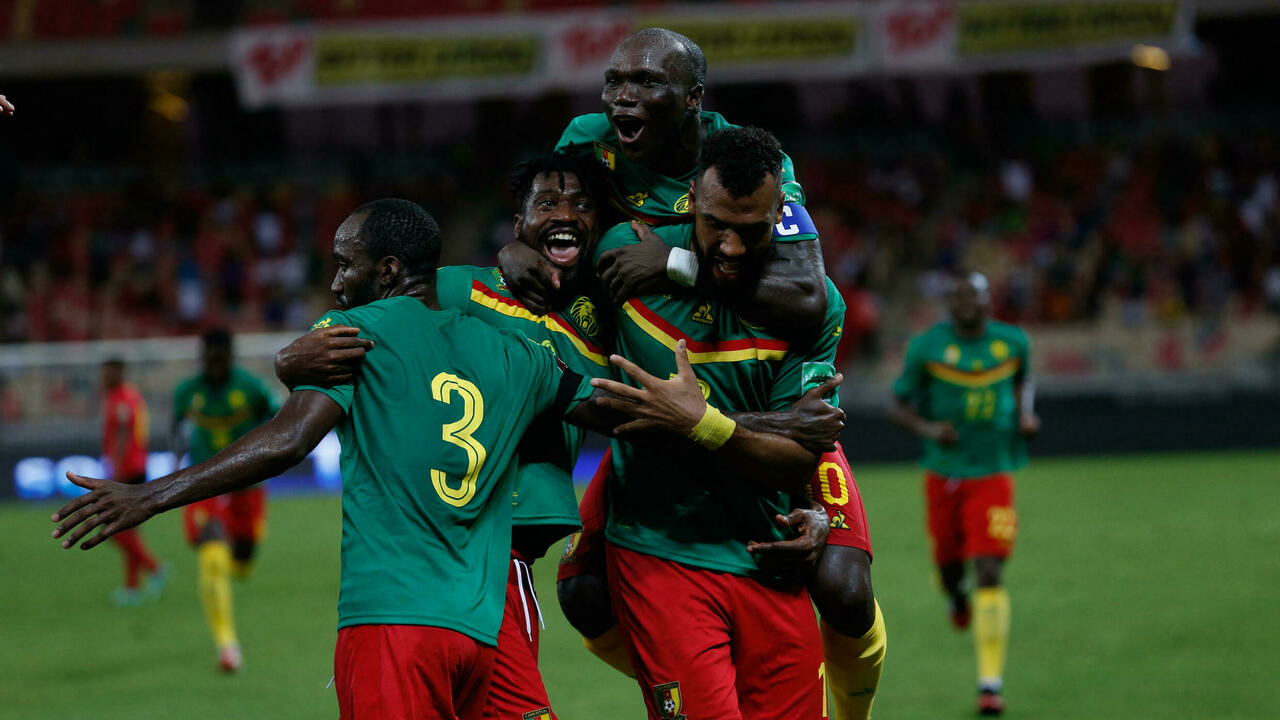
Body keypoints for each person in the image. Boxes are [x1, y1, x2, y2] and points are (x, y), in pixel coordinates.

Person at [52, 198, 704, 720]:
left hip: (392, 620)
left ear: (388, 271)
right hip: (481, 631)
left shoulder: (356, 338)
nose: (336, 282)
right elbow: (612, 408)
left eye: (345, 265)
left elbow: (289, 440)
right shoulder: (521, 356)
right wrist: (703, 419)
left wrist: (149, 495)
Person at [274, 155, 838, 720]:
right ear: (518, 223)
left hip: (509, 568)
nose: (565, 214)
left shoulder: (614, 310)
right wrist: (297, 352)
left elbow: (662, 416)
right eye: (546, 204)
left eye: (582, 205)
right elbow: (372, 310)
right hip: (460, 549)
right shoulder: (462, 289)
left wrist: (807, 493)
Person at [580, 125, 882, 720]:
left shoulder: (812, 305)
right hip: (663, 548)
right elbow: (597, 398)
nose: (734, 247)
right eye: (716, 225)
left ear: (781, 214)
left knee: (847, 593)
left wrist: (695, 421)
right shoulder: (626, 250)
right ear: (691, 198)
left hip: (767, 549)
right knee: (579, 590)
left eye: (753, 230)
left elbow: (797, 458)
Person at [888, 271, 1040, 717]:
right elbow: (897, 404)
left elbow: (1025, 382)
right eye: (958, 297)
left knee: (989, 569)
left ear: (989, 301)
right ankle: (956, 595)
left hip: (994, 471)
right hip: (945, 474)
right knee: (950, 568)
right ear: (950, 304)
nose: (966, 303)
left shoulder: (1013, 343)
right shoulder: (927, 348)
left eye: (974, 295)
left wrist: (1026, 415)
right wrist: (929, 429)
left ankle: (990, 685)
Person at [171, 328, 279, 672]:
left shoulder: (251, 387)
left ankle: (232, 573)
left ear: (231, 356)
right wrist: (177, 471)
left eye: (221, 357)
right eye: (210, 358)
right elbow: (176, 431)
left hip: (247, 485)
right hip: (204, 485)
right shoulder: (186, 392)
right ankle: (227, 646)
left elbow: (277, 417)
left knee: (242, 564)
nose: (215, 364)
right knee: (213, 556)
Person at [99, 358, 166, 606]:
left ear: (118, 372)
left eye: (107, 373)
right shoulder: (125, 394)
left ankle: (154, 568)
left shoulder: (123, 397)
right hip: (133, 467)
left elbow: (124, 432)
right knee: (127, 529)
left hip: (128, 470)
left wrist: (116, 469)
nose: (103, 378)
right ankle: (132, 587)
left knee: (113, 528)